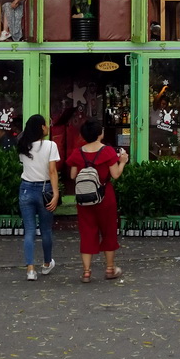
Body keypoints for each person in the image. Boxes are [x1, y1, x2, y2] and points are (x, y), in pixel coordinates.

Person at [67, 119, 128, 283]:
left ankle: (86, 272)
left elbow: (73, 176)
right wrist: (122, 163)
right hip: (105, 195)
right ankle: (110, 269)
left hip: (84, 198)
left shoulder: (77, 152)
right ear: (100, 133)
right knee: (108, 231)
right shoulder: (107, 151)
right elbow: (115, 175)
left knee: (87, 232)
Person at [17, 115, 60, 281]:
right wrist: (56, 193)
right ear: (42, 127)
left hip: (26, 189)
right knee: (46, 230)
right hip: (45, 189)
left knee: (29, 231)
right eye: (46, 125)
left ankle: (30, 269)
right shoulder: (50, 145)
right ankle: (47, 263)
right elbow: (52, 171)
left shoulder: (23, 146)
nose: (48, 127)